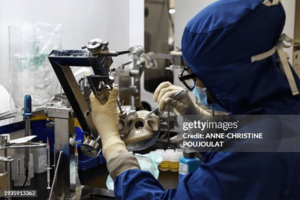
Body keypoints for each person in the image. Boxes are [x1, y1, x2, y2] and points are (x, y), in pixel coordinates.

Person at [90, 0, 300, 199]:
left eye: (196, 77)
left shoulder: (262, 150)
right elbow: (244, 138)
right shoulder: (282, 99)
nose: (196, 86)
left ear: (228, 77)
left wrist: (113, 146)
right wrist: (197, 119)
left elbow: (243, 155)